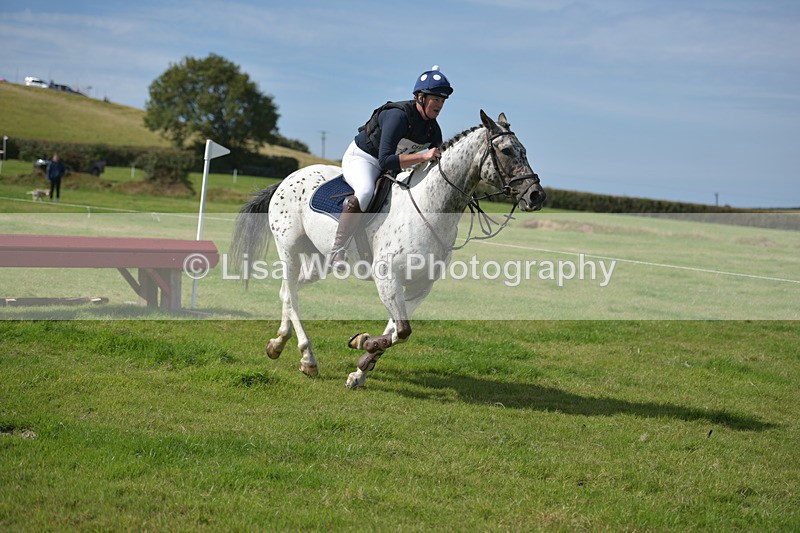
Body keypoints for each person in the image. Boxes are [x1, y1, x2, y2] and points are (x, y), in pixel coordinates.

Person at [331, 65, 453, 271]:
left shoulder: (433, 128)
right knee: (366, 192)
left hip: (393, 167)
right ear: (421, 97)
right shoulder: (398, 117)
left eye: (442, 101)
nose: (439, 105)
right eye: (436, 99)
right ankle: (337, 250)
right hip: (364, 158)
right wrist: (423, 155)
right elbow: (385, 161)